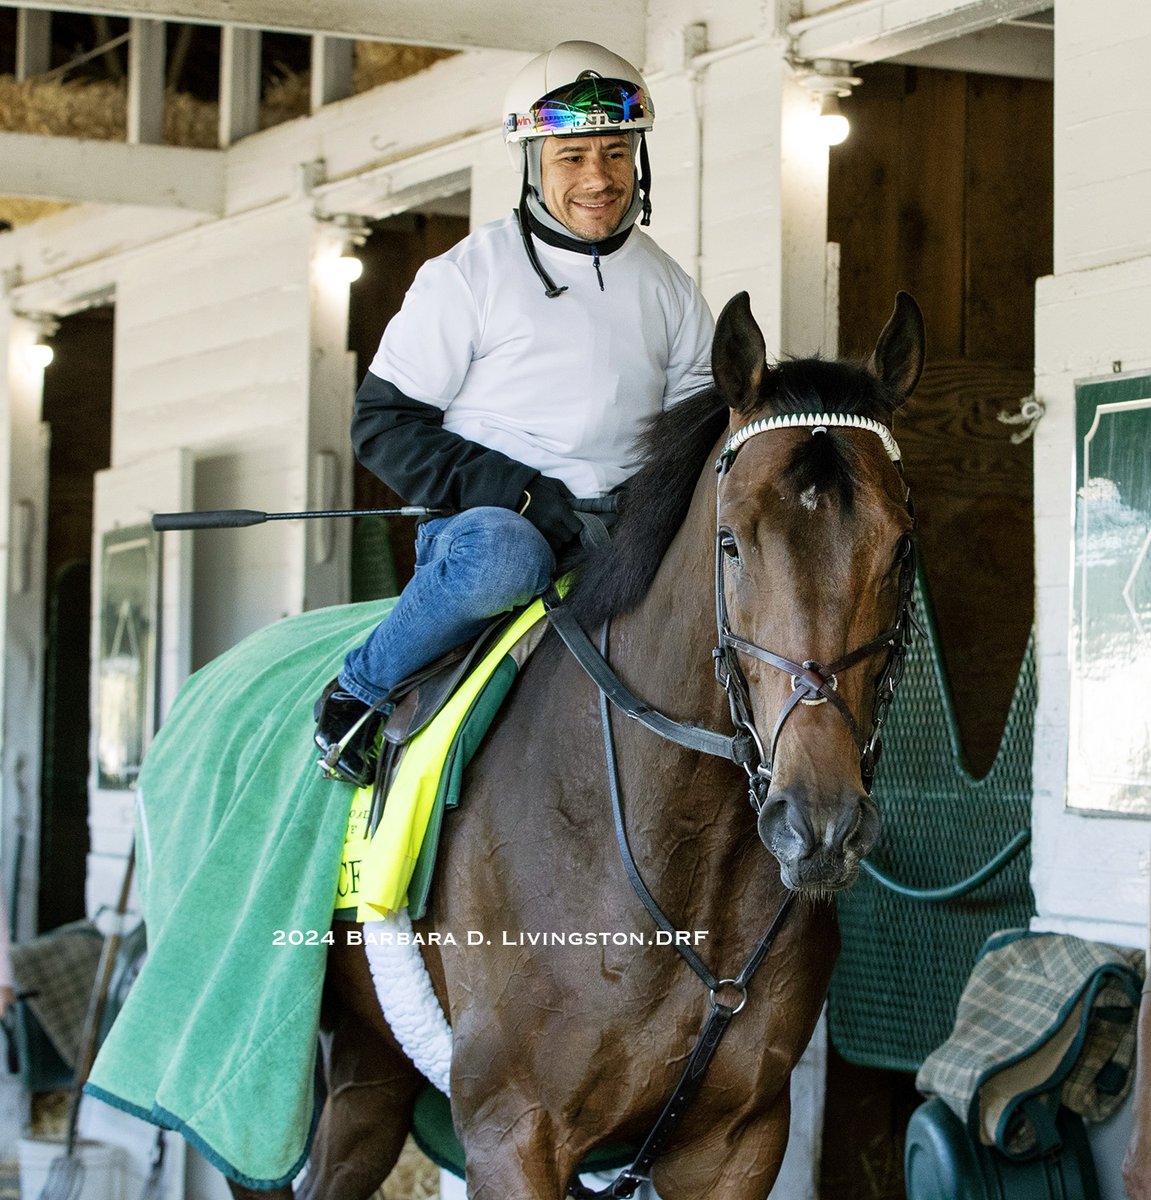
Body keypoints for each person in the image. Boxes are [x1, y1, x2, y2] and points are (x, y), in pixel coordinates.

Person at [313, 40, 715, 785]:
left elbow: (693, 429)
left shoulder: (670, 287)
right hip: (491, 531)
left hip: (623, 533)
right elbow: (381, 424)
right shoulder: (466, 276)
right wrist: (523, 496)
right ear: (530, 162)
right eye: (571, 158)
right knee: (508, 556)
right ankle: (359, 692)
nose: (598, 179)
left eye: (615, 153)